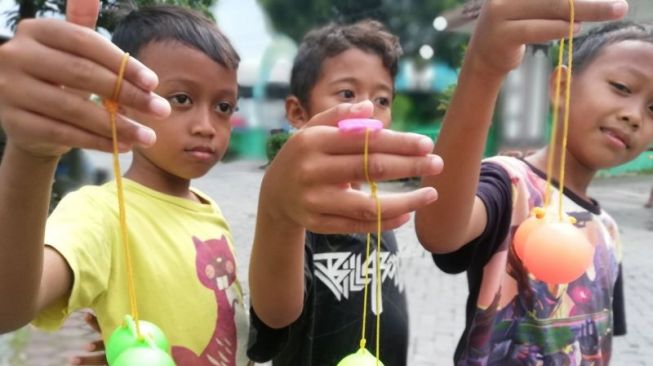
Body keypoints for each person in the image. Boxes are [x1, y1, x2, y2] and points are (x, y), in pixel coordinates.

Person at [0, 2, 441, 365]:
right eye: (182, 99)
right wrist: (33, 155)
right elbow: (11, 304)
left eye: (224, 106)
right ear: (122, 103)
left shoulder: (206, 207)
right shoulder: (99, 212)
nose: (207, 125)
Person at [415, 0, 653, 364]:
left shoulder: (609, 230)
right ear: (561, 86)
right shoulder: (510, 184)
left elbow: (598, 341)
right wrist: (484, 67)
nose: (634, 115)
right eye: (621, 87)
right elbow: (440, 229)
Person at [247, 19, 443, 366]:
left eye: (381, 99)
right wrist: (278, 214)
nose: (366, 111)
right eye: (347, 95)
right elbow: (274, 316)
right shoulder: (301, 215)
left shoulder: (377, 206)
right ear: (298, 112)